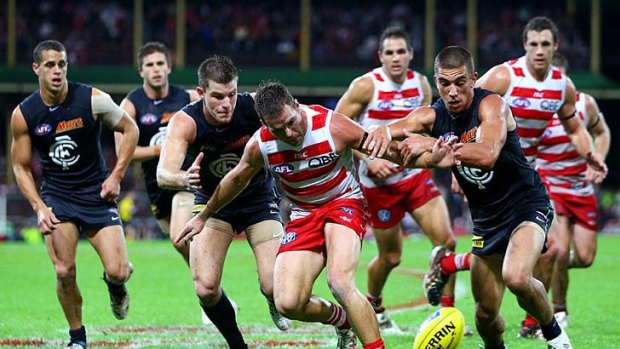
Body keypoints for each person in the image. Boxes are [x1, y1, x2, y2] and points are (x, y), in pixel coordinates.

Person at [174, 81, 426, 349]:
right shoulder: (262, 143)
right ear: (264, 124)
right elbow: (235, 180)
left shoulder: (332, 127)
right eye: (277, 129)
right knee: (287, 303)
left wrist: (436, 159)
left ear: (296, 105)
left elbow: (394, 153)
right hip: (303, 213)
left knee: (339, 282)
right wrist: (203, 216)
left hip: (343, 202)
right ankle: (342, 321)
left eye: (290, 122)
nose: (289, 133)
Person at [363, 45, 579, 349]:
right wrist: (382, 133)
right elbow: (398, 137)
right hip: (486, 219)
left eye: (460, 83)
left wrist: (436, 148)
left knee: (516, 277)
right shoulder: (431, 114)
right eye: (444, 84)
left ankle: (557, 338)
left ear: (473, 79)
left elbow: (488, 154)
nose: (452, 91)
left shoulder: (492, 106)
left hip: (525, 206)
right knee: (485, 315)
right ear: (436, 82)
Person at [474, 16, 608, 337]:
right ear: (525, 46)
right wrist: (465, 163)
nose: (539, 50)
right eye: (533, 44)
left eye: (545, 44)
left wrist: (590, 154)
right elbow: (468, 109)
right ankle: (454, 270)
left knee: (548, 252)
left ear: (555, 47)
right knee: (492, 272)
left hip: (528, 178)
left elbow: (575, 127)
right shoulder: (505, 76)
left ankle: (534, 323)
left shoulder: (562, 86)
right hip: (490, 177)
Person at [10, 40, 139, 349]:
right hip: (57, 196)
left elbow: (130, 129)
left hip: (97, 194)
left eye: (62, 64)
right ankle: (77, 338)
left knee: (119, 271)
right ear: (36, 68)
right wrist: (39, 207)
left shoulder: (92, 99)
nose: (57, 71)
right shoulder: (24, 114)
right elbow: (20, 167)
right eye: (51, 65)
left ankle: (116, 287)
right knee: (64, 269)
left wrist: (117, 175)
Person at [156, 56, 289, 348]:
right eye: (217, 96)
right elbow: (163, 173)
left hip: (258, 200)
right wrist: (182, 178)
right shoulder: (186, 121)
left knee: (275, 286)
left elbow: (297, 118)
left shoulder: (254, 106)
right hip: (213, 206)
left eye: (231, 94)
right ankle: (237, 344)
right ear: (201, 93)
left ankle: (270, 297)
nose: (226, 103)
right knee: (205, 288)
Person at [334, 27, 458, 330]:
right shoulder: (365, 86)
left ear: (411, 54)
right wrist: (369, 160)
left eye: (401, 51)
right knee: (391, 257)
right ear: (380, 56)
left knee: (447, 242)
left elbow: (430, 128)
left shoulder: (422, 85)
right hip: (379, 187)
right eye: (389, 52)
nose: (396, 58)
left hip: (414, 177)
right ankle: (374, 304)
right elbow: (336, 128)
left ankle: (448, 316)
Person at [537, 52, 611, 328]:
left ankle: (539, 266)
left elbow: (602, 133)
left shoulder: (584, 104)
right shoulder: (539, 107)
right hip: (551, 186)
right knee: (559, 248)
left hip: (580, 188)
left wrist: (598, 159)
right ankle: (559, 310)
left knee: (584, 258)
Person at [116, 41, 199, 263]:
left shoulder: (188, 98)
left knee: (180, 238)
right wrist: (160, 150)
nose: (156, 69)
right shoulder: (130, 105)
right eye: (150, 64)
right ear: (141, 70)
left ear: (169, 67)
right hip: (156, 185)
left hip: (184, 178)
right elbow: (123, 153)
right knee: (184, 249)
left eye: (160, 63)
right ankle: (210, 289)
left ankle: (211, 287)